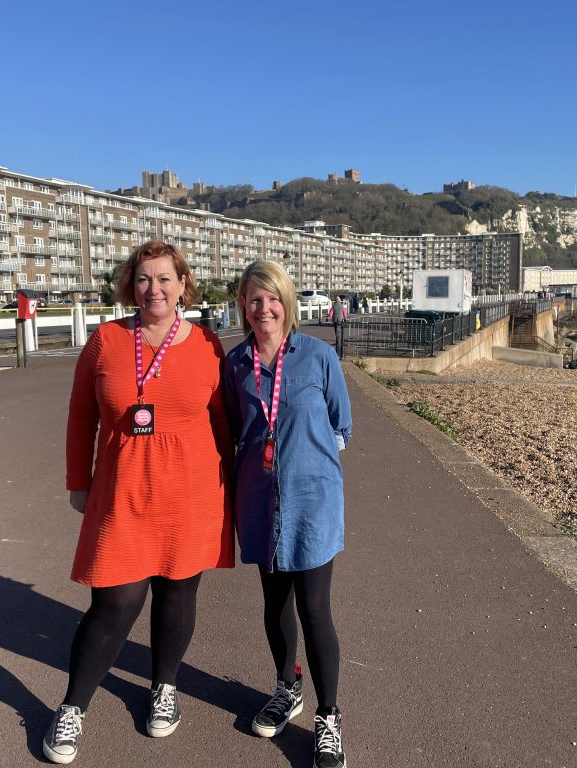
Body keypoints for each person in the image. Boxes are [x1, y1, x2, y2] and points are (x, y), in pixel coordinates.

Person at [44, 240, 234, 764]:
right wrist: (76, 482)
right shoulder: (106, 341)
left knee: (177, 595)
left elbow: (223, 425)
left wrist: (236, 487)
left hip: (192, 492)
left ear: (183, 286)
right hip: (123, 488)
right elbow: (81, 416)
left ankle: (164, 687)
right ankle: (73, 706)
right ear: (132, 285)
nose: (155, 288)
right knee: (115, 602)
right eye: (145, 278)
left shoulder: (207, 346)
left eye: (165, 278)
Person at [224, 260, 352, 768]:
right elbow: (238, 428)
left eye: (272, 298)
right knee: (274, 602)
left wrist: (308, 466)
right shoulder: (235, 364)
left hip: (313, 502)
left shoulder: (319, 356)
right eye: (254, 300)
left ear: (287, 302)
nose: (264, 309)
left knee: (315, 609)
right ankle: (286, 687)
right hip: (258, 500)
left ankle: (329, 716)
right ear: (243, 306)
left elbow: (342, 425)